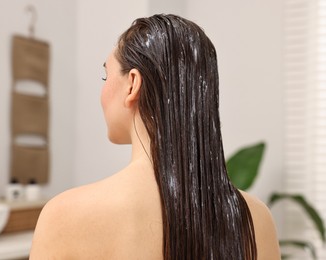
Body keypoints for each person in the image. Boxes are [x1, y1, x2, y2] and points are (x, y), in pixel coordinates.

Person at [30, 14, 280, 259]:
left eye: (106, 76)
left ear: (133, 84)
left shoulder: (65, 216)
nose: (102, 91)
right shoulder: (255, 219)